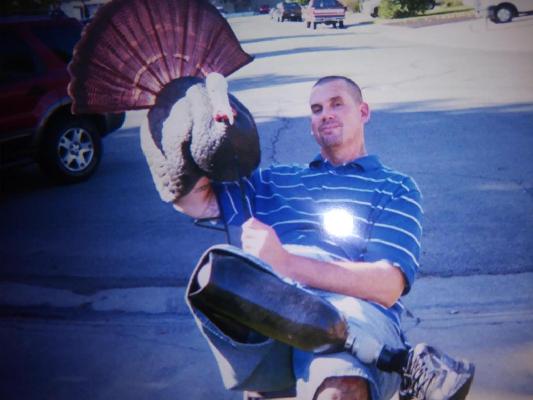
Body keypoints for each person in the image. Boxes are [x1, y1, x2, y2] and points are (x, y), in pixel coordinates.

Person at [158, 76, 475, 400]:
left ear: (363, 112)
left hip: (356, 315)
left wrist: (286, 262)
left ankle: (398, 367)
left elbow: (387, 286)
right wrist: (185, 137)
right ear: (311, 125)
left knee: (340, 389)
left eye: (337, 104)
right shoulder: (273, 181)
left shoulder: (395, 187)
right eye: (316, 109)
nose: (326, 114)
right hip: (270, 310)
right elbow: (194, 201)